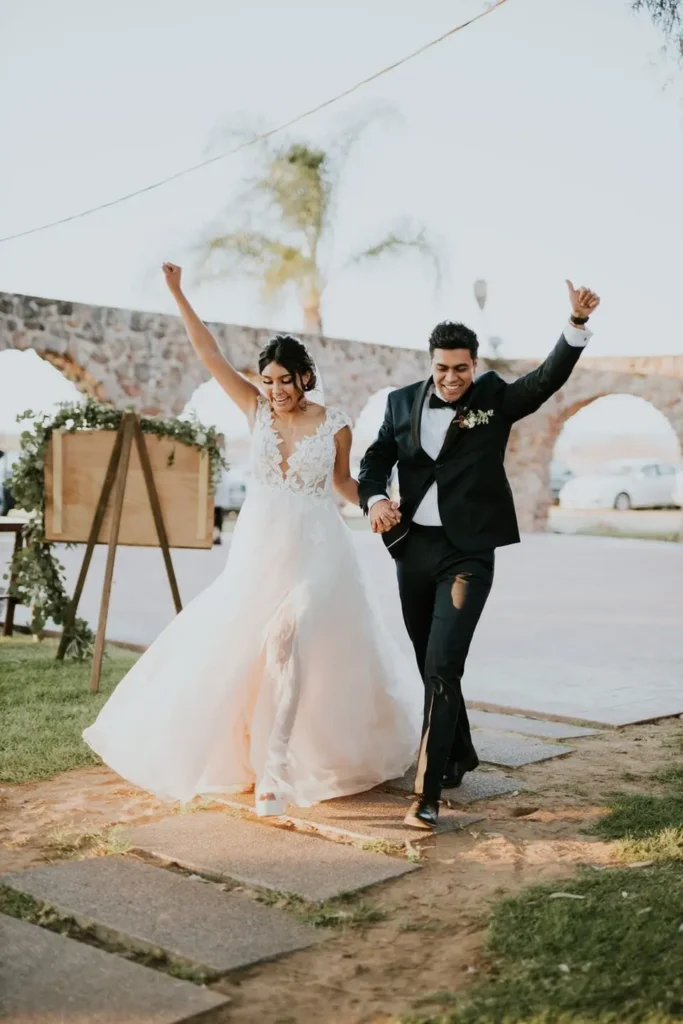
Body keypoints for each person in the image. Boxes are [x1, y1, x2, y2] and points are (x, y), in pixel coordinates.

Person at [83, 263, 421, 816]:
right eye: (268, 380)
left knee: (289, 635)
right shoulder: (254, 408)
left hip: (317, 547)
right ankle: (239, 751)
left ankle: (275, 771)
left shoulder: (334, 422)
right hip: (261, 548)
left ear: (304, 378)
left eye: (285, 380)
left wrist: (375, 501)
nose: (276, 390)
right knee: (246, 646)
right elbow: (209, 353)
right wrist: (178, 293)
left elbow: (340, 481)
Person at [358, 280, 601, 830]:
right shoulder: (400, 404)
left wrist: (575, 325)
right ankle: (460, 753)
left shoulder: (492, 398)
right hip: (412, 551)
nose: (451, 378)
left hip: (469, 555)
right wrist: (373, 498)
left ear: (473, 365)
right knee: (429, 663)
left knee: (444, 664)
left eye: (461, 369)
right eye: (443, 368)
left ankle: (426, 793)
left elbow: (544, 380)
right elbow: (374, 462)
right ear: (431, 364)